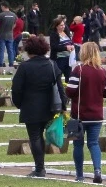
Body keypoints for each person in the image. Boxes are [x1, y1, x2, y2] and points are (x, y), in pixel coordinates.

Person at [11, 36, 66, 178]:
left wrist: (19, 104)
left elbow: (16, 89)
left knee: (35, 136)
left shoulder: (25, 67)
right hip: (50, 106)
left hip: (30, 106)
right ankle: (40, 168)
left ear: (29, 50)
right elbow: (60, 87)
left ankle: (40, 168)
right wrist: (63, 106)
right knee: (41, 136)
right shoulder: (52, 64)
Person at [67, 42, 106, 184]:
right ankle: (97, 170)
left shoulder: (78, 70)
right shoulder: (102, 71)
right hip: (96, 115)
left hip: (78, 115)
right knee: (94, 143)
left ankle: (79, 175)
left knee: (77, 145)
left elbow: (70, 91)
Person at [0, 2, 17, 67]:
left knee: (1, 51)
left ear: (3, 6)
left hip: (2, 35)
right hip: (10, 35)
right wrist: (11, 29)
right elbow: (15, 24)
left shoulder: (1, 15)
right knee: (10, 50)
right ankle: (11, 63)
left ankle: (0, 64)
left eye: (1, 7)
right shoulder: (14, 15)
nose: (1, 8)